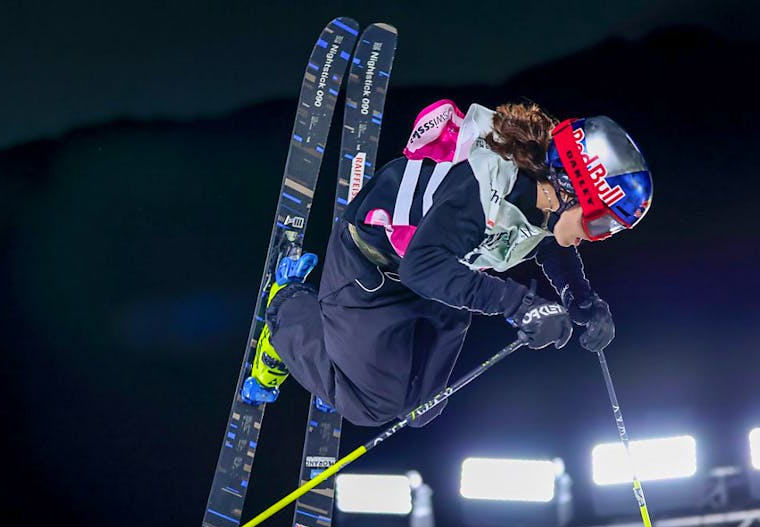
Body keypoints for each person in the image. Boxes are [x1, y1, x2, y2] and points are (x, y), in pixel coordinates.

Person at [241, 99, 653, 427]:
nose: (598, 236)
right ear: (568, 186)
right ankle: (287, 308)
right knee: (375, 407)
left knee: (424, 407)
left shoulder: (541, 195)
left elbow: (547, 243)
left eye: (612, 230)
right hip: (371, 272)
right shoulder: (479, 188)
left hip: (439, 277)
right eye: (600, 222)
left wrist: (581, 299)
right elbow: (419, 267)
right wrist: (519, 305)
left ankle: (349, 369)